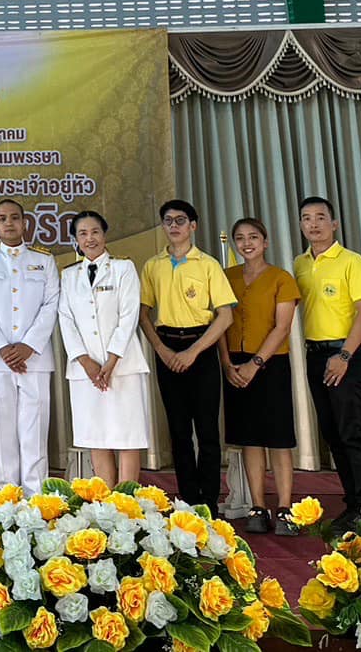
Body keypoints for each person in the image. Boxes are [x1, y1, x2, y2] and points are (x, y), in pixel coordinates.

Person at [137, 198, 235, 510]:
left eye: (181, 220)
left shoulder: (207, 265)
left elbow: (225, 316)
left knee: (206, 429)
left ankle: (209, 500)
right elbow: (142, 315)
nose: (174, 226)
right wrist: (162, 350)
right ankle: (187, 500)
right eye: (168, 221)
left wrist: (193, 351)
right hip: (167, 349)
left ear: (193, 226)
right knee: (178, 430)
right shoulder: (153, 266)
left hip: (201, 348)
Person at [294, 196, 361, 528]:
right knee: (331, 431)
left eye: (320, 217)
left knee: (351, 429)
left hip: (345, 355)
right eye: (306, 218)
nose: (313, 224)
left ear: (334, 224)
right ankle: (352, 501)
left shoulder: (351, 261)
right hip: (314, 355)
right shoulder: (299, 264)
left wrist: (344, 355)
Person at [0, 199, 60, 494]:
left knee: (35, 430)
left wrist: (28, 346)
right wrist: (3, 348)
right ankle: (7, 495)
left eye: (15, 218)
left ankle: (37, 497)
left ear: (25, 222)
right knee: (3, 430)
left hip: (35, 358)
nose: (9, 223)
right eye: (2, 218)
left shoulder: (44, 260)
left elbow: (51, 304)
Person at [219, 217, 301, 535]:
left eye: (253, 237)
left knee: (278, 439)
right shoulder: (227, 277)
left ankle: (284, 507)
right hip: (236, 365)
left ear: (265, 242)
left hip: (271, 363)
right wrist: (228, 364)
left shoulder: (281, 278)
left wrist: (255, 363)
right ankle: (258, 505)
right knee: (251, 440)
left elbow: (282, 327)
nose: (247, 242)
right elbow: (222, 324)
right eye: (240, 238)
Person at [57, 209, 149, 486]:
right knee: (96, 435)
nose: (90, 238)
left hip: (122, 366)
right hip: (85, 371)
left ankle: (127, 501)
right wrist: (86, 361)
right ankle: (107, 502)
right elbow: (66, 320)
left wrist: (110, 361)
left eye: (95, 231)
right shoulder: (69, 275)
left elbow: (129, 315)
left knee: (127, 434)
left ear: (104, 234)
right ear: (75, 239)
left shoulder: (123, 268)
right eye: (82, 233)